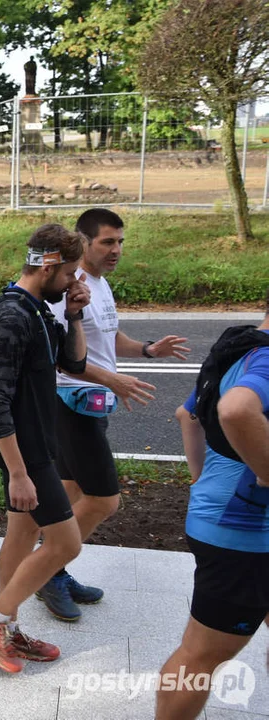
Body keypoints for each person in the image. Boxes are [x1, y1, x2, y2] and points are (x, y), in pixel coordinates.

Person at [42, 208, 191, 620]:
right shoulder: (68, 289)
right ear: (84, 242)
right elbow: (58, 357)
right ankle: (48, 571)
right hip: (70, 402)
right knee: (105, 500)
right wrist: (112, 380)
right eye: (108, 242)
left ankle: (52, 565)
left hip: (90, 401)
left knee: (70, 493)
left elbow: (108, 337)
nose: (116, 250)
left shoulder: (101, 286)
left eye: (121, 241)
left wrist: (146, 349)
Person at [0, 223, 90, 673]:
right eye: (73, 274)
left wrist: (74, 314)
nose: (76, 282)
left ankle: (11, 632)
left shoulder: (39, 309)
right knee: (65, 543)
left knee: (20, 537)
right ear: (51, 264)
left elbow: (72, 363)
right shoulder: (12, 317)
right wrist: (19, 472)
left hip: (37, 442)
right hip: (26, 451)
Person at [156, 291, 269, 719]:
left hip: (222, 515)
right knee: (202, 655)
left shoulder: (241, 348)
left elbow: (188, 415)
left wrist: (199, 478)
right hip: (244, 532)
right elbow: (236, 411)